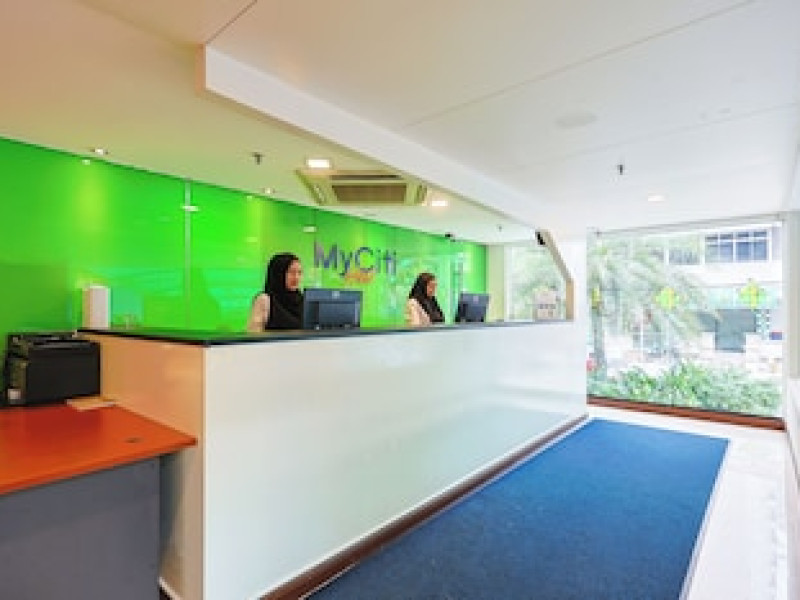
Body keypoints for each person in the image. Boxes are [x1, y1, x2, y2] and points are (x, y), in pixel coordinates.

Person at [247, 253, 303, 331]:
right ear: (278, 274)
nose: (296, 277)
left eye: (299, 272)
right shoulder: (264, 300)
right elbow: (254, 333)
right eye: (291, 272)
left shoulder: (302, 300)